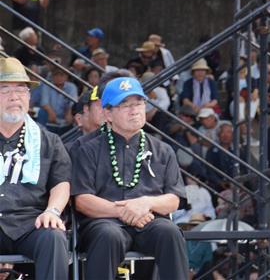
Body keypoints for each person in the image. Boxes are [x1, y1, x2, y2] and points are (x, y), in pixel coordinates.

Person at [72, 77, 190, 280]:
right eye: (124, 105)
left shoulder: (162, 149)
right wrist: (125, 210)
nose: (134, 110)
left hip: (150, 220)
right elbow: (82, 201)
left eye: (138, 103)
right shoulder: (87, 149)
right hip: (104, 221)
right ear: (107, 113)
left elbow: (174, 199)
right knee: (108, 235)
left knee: (170, 232)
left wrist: (145, 203)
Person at [0, 58, 71, 280]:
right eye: (5, 90)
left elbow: (61, 183)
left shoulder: (49, 140)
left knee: (54, 237)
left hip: (30, 222)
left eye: (21, 90)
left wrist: (52, 211)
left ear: (29, 97)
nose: (14, 97)